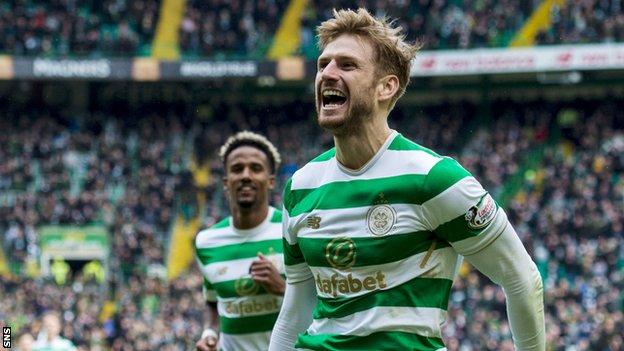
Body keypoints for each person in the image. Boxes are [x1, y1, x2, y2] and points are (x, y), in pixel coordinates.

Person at [269, 8, 545, 351]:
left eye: (347, 65)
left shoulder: (435, 178)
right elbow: (296, 311)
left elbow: (522, 278)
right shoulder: (300, 187)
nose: (327, 73)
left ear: (387, 87)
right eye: (322, 64)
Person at [194, 131, 286, 351]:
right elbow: (213, 301)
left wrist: (283, 288)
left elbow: (323, 300)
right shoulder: (207, 243)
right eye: (237, 169)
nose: (246, 175)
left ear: (271, 181)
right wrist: (209, 333)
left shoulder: (291, 230)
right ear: (226, 182)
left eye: (255, 168)